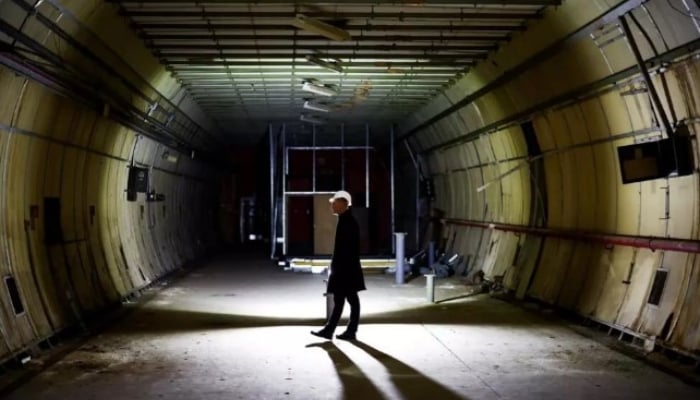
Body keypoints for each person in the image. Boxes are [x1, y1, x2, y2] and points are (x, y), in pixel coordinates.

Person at [311, 190, 366, 341]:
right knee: (342, 299)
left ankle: (348, 330)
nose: (332, 206)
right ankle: (332, 330)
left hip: (345, 269)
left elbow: (347, 249)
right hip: (345, 268)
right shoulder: (345, 220)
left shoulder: (348, 222)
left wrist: (338, 269)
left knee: (349, 299)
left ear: (343, 203)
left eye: (334, 203)